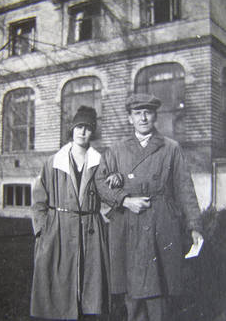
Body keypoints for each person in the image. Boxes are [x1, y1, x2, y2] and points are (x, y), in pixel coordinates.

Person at [95, 93, 204, 321]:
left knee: (160, 293)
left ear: (155, 116)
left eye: (148, 112)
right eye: (137, 113)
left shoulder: (171, 148)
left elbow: (185, 188)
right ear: (129, 119)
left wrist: (194, 226)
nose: (143, 117)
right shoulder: (115, 150)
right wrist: (124, 199)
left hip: (161, 223)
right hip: (128, 224)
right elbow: (99, 183)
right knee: (133, 294)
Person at [31, 106, 119, 320]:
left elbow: (110, 195)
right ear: (71, 129)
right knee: (58, 288)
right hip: (58, 229)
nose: (82, 132)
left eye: (88, 128)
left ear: (93, 132)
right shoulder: (54, 162)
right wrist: (42, 229)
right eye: (79, 126)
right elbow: (38, 199)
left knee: (89, 286)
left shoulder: (101, 162)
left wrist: (117, 179)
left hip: (90, 230)